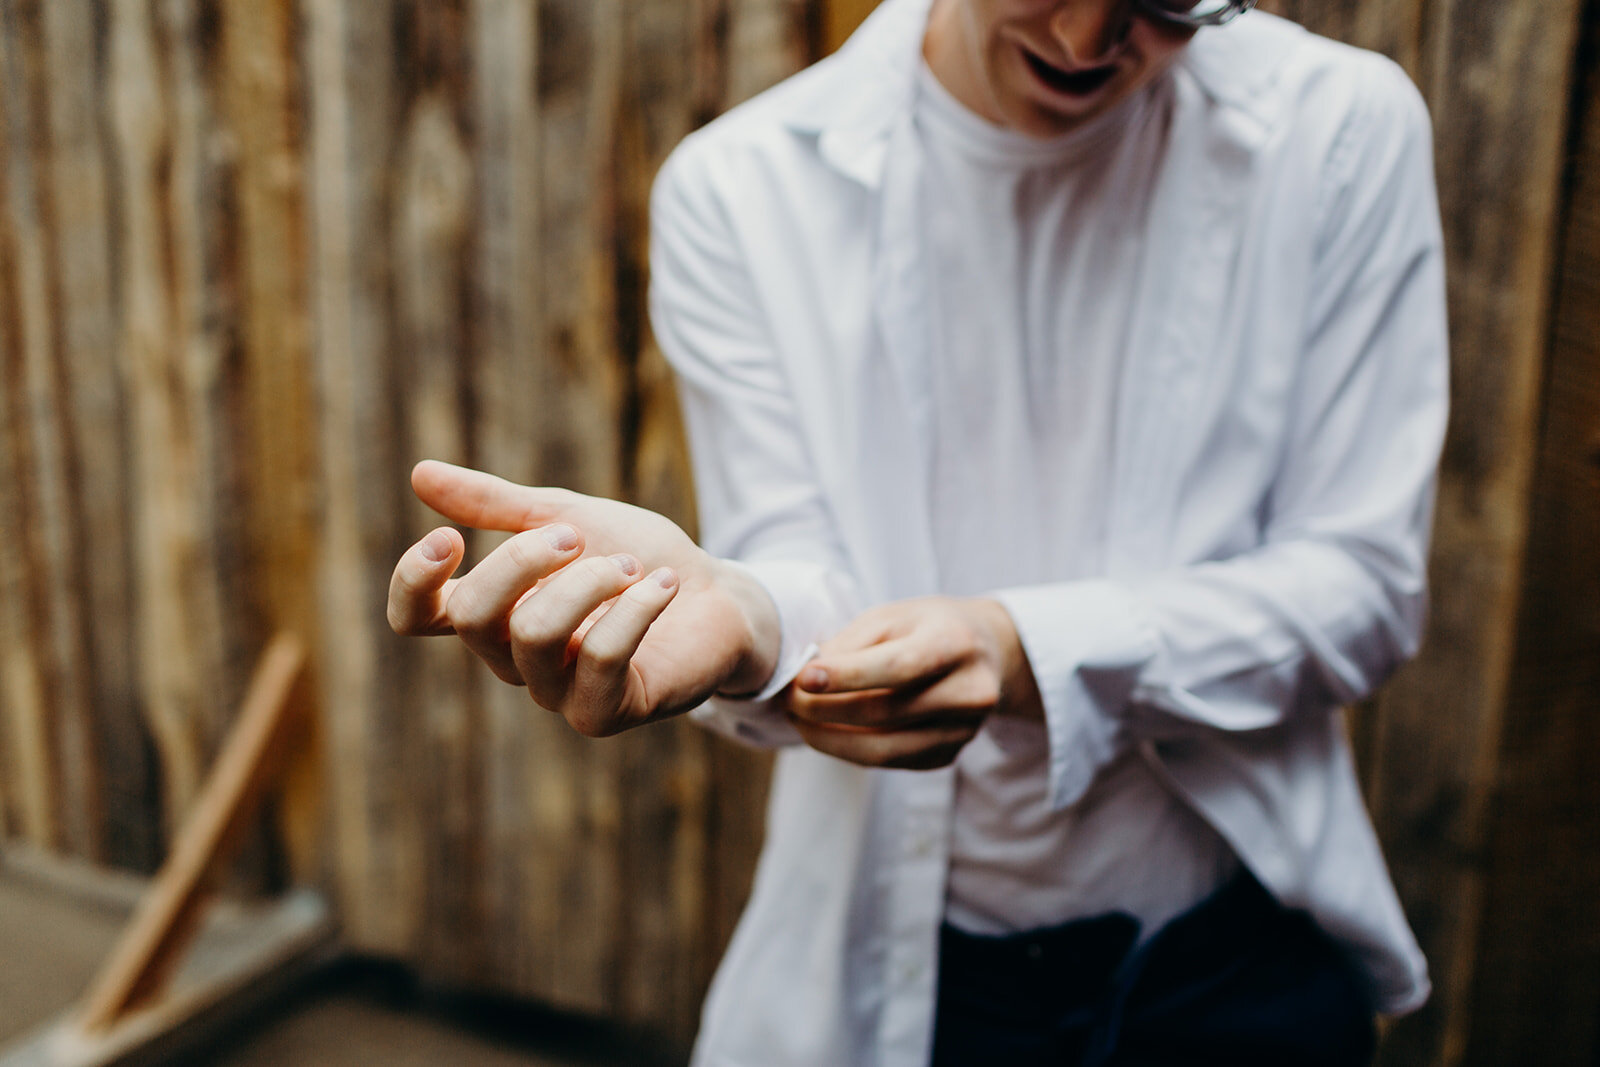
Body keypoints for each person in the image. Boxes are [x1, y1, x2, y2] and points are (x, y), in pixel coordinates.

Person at [388, 0, 1449, 1063]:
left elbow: (1361, 586)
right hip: (925, 987)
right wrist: (742, 618)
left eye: (1166, 1)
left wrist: (1018, 646)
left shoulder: (1340, 130)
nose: (1084, 43)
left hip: (1239, 964)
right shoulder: (744, 189)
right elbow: (799, 575)